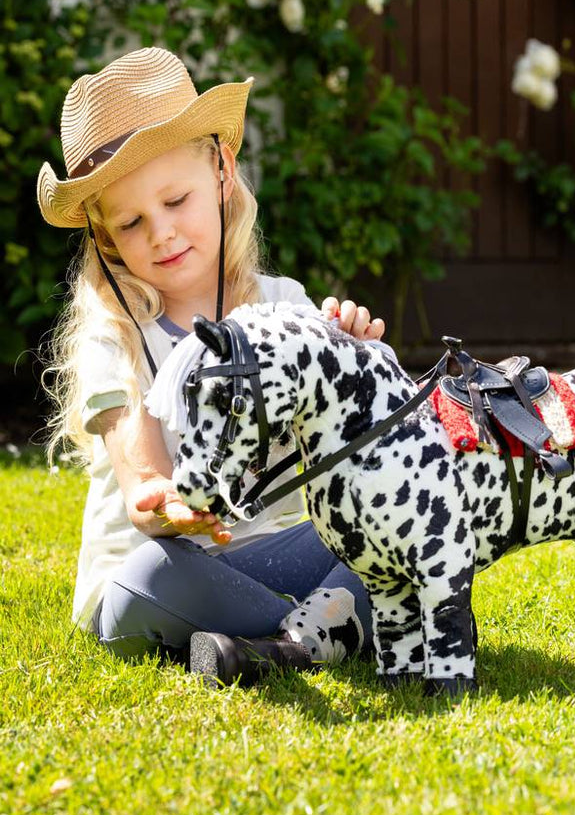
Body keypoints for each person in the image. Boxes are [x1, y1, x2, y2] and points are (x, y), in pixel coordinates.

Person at [38, 46, 389, 686]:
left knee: (376, 526)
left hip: (265, 554)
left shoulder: (283, 307)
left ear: (222, 171)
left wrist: (350, 356)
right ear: (105, 237)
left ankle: (268, 643)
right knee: (150, 577)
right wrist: (166, 504)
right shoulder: (115, 337)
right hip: (165, 566)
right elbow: (144, 484)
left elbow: (352, 448)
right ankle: (320, 631)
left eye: (175, 200)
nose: (162, 233)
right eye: (132, 222)